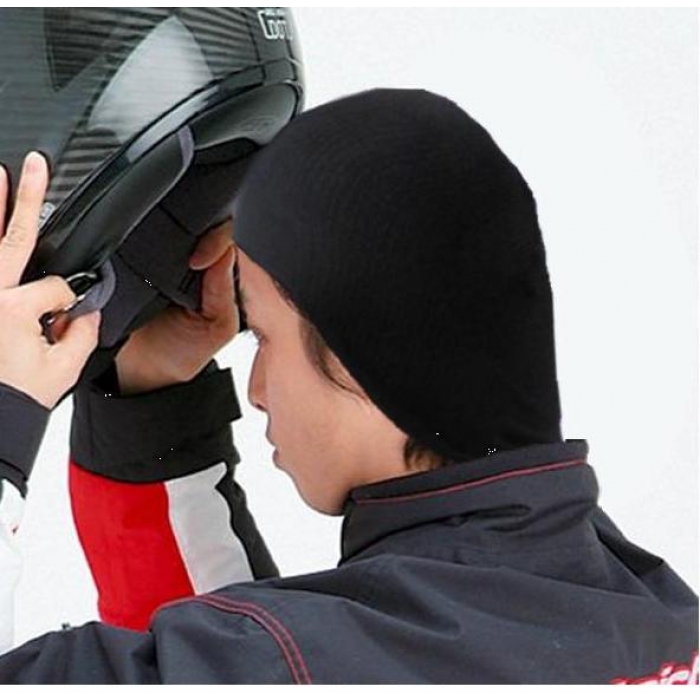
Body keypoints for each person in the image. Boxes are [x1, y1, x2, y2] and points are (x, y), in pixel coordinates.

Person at [0, 89, 697, 684]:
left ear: (362, 358)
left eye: (261, 335)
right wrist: (155, 405)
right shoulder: (654, 617)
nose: (258, 389)